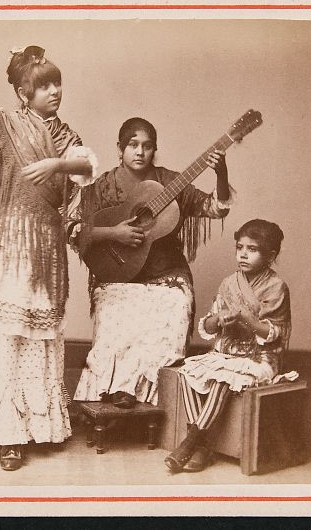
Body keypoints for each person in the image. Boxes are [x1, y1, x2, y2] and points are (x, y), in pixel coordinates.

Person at [0, 34, 97, 471]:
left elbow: (86, 165)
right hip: (8, 241)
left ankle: (40, 427)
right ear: (22, 92)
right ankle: (7, 435)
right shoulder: (1, 124)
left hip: (46, 246)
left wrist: (56, 165)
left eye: (57, 84)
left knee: (39, 337)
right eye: (44, 86)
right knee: (7, 336)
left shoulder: (67, 136)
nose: (54, 92)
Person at [69, 117, 233, 409]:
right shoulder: (101, 186)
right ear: (119, 148)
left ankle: (158, 401)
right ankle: (116, 393)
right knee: (115, 325)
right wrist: (114, 233)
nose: (140, 152)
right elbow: (72, 229)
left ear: (154, 150)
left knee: (174, 308)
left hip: (166, 274)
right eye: (132, 144)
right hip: (118, 275)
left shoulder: (171, 182)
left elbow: (215, 208)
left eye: (147, 146)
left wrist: (220, 173)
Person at [164, 218, 292, 473]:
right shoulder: (228, 283)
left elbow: (275, 332)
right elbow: (210, 327)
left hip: (259, 359)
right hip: (226, 353)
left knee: (222, 381)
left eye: (252, 249)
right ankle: (200, 445)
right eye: (240, 247)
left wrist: (247, 319)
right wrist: (217, 319)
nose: (243, 254)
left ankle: (191, 443)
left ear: (270, 255)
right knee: (186, 374)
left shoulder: (276, 287)